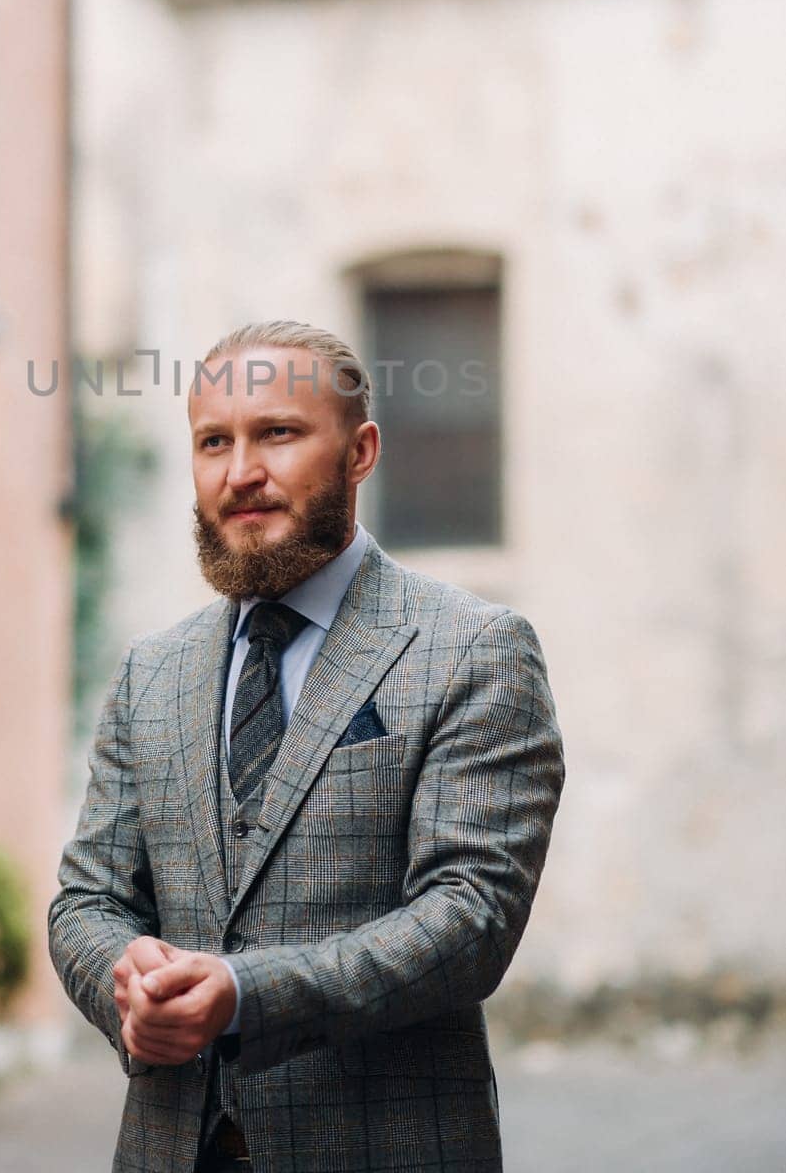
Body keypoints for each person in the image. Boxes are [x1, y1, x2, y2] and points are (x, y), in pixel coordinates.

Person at [49, 321, 564, 1173]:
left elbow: (471, 915)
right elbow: (86, 900)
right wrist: (126, 982)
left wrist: (247, 994)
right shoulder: (153, 671)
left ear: (359, 452)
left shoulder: (473, 647)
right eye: (214, 441)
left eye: (277, 434)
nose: (239, 472)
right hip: (167, 1149)